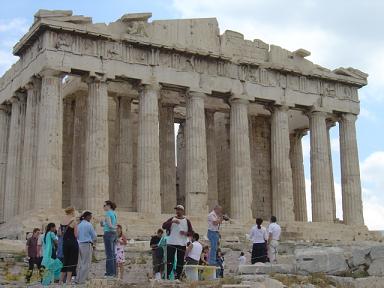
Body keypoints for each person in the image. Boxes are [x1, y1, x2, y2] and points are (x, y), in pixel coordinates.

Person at [162, 204, 193, 280]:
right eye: (177, 210)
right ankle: (167, 275)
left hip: (181, 243)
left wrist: (185, 233)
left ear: (182, 211)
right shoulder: (172, 219)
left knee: (180, 261)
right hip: (171, 242)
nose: (177, 211)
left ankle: (178, 276)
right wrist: (172, 222)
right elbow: (163, 226)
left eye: (179, 210)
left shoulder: (187, 221)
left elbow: (192, 232)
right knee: (169, 260)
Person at [59, 207, 79, 284]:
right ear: (72, 212)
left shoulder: (62, 220)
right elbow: (76, 235)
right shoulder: (73, 221)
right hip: (72, 243)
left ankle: (60, 280)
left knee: (65, 261)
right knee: (72, 261)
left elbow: (60, 233)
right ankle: (68, 280)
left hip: (65, 243)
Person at [76, 211, 97, 284]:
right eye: (90, 216)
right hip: (86, 244)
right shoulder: (89, 225)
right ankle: (82, 280)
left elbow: (77, 235)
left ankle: (77, 279)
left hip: (79, 244)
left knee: (80, 262)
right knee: (86, 263)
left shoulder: (79, 225)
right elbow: (94, 236)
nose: (91, 218)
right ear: (87, 216)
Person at [100, 200, 117, 277]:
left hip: (108, 233)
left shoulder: (108, 213)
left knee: (109, 254)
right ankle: (114, 272)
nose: (103, 207)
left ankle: (109, 273)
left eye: (104, 205)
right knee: (113, 253)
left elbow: (110, 225)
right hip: (113, 234)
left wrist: (113, 228)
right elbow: (110, 224)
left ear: (108, 206)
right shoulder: (114, 213)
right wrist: (103, 224)